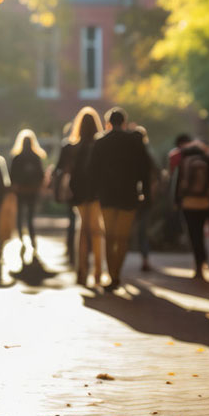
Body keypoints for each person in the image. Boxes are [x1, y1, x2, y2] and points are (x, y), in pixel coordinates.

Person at [92, 107, 151, 292]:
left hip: (107, 195)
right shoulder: (134, 141)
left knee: (109, 236)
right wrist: (146, 192)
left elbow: (93, 169)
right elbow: (145, 168)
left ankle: (112, 275)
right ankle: (117, 271)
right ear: (124, 122)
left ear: (108, 122)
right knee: (123, 237)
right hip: (129, 195)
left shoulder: (101, 142)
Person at [174, 141, 209, 279]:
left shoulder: (184, 162)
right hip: (205, 203)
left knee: (193, 233)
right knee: (200, 232)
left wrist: (177, 201)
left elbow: (178, 184)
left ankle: (198, 263)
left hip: (188, 203)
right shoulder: (208, 161)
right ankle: (202, 258)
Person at [68, 107, 104, 287]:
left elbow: (69, 172)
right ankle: (98, 272)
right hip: (96, 193)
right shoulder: (100, 145)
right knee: (97, 231)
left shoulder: (74, 147)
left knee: (82, 231)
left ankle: (81, 271)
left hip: (79, 193)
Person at [9, 129, 47, 258]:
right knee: (30, 218)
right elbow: (41, 175)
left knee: (20, 217)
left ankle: (22, 240)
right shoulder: (36, 157)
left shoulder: (17, 157)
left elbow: (11, 176)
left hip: (20, 191)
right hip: (32, 191)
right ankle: (32, 240)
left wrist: (16, 187)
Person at [131, 125, 160, 272]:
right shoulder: (148, 155)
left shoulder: (128, 156)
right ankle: (145, 259)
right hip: (146, 198)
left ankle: (116, 263)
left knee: (126, 230)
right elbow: (157, 176)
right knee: (143, 230)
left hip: (129, 198)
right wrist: (152, 193)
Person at [53, 122, 78, 263]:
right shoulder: (82, 145)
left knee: (72, 218)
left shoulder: (67, 145)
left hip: (69, 186)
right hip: (83, 186)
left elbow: (59, 166)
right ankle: (76, 247)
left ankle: (70, 247)